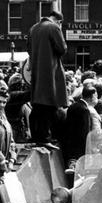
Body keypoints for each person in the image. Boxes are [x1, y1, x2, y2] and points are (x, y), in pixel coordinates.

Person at [27, 10, 67, 148]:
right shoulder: (53, 27)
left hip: (37, 71)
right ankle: (45, 137)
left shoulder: (33, 28)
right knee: (50, 103)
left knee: (38, 104)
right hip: (50, 71)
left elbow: (29, 49)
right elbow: (62, 49)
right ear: (58, 20)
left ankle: (37, 136)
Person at [0, 87, 17, 203]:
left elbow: (11, 141)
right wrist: (2, 162)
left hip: (3, 167)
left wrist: (12, 159)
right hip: (0, 164)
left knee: (2, 201)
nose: (2, 104)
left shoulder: (4, 118)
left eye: (4, 101)